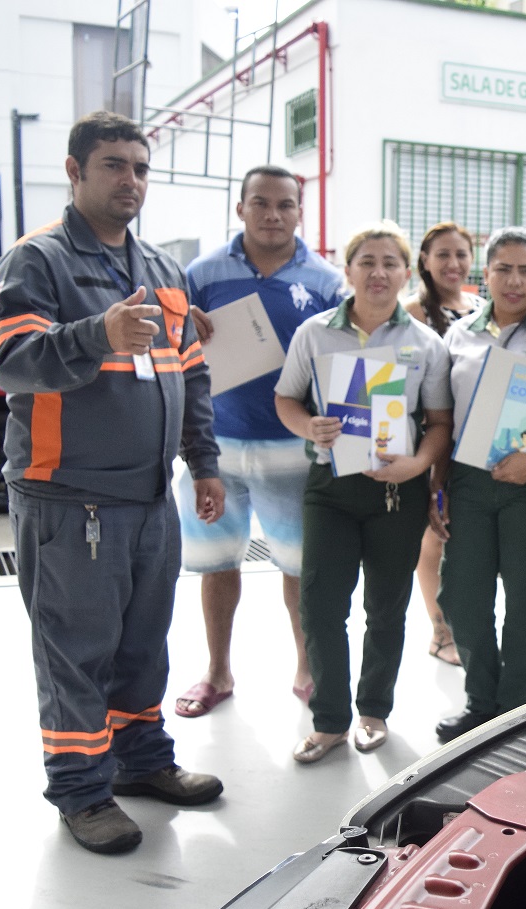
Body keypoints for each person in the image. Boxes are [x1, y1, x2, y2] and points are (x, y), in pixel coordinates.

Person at [0, 111, 224, 854]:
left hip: (151, 499)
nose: (131, 180)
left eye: (140, 167)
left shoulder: (161, 270)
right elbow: (12, 362)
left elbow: (190, 373)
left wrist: (205, 462)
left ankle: (141, 761)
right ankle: (82, 792)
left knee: (142, 647)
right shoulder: (37, 261)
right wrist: (99, 333)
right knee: (76, 654)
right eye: (114, 165)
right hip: (71, 499)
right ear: (75, 171)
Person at [274, 223, 453, 762]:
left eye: (390, 263)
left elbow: (440, 422)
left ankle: (373, 711)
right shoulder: (314, 334)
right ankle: (328, 721)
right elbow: (286, 400)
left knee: (387, 607)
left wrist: (418, 465)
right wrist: (308, 426)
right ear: (347, 269)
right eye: (366, 262)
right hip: (330, 488)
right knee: (321, 605)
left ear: (406, 272)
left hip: (397, 493)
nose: (378, 273)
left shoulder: (425, 343)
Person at [172, 165, 344, 718]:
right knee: (217, 563)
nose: (273, 214)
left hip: (293, 449)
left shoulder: (326, 282)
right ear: (240, 208)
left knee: (300, 568)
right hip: (213, 449)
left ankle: (307, 669)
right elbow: (171, 347)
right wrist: (180, 323)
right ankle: (217, 672)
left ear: (300, 212)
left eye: (285, 205)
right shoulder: (201, 274)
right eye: (261, 203)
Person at [434, 228, 526, 742]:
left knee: (525, 603)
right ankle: (480, 702)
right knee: (461, 597)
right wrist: (439, 486)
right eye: (504, 269)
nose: (515, 281)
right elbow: (442, 416)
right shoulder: (459, 335)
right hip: (469, 481)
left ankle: (514, 715)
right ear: (485, 274)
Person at [403, 222, 486, 667]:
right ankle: (440, 632)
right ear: (425, 260)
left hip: (476, 439)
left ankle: (466, 626)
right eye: (443, 255)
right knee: (433, 537)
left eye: (461, 254)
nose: (453, 264)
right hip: (431, 437)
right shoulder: (412, 312)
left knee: (463, 539)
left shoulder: (482, 308)